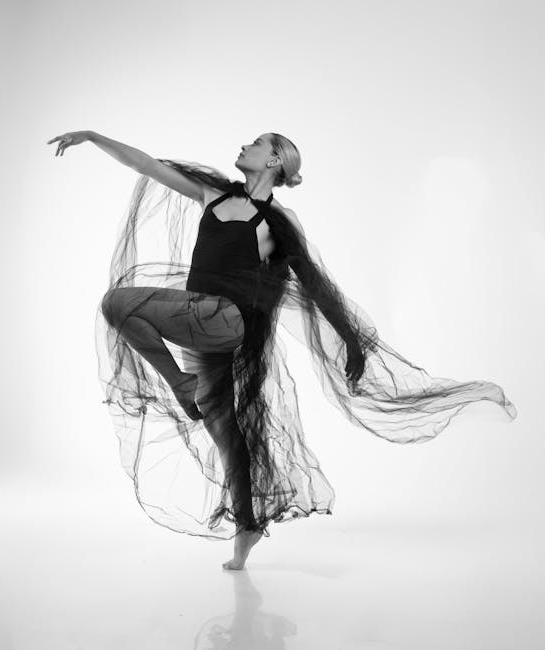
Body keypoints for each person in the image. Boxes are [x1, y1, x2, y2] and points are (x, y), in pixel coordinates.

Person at [47, 130, 517, 570]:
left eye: (256, 143)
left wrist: (351, 341)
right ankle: (247, 528)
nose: (245, 146)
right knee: (225, 431)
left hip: (227, 318)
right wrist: (93, 137)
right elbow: (146, 164)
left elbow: (313, 283)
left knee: (117, 302)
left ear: (274, 161)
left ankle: (179, 384)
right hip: (198, 322)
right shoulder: (213, 194)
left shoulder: (278, 220)